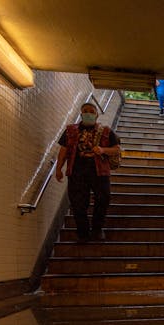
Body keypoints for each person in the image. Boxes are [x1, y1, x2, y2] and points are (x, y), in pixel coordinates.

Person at [55, 102, 121, 242]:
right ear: (81, 113)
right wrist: (58, 168)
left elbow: (116, 149)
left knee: (103, 199)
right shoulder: (70, 130)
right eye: (85, 111)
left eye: (91, 111)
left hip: (100, 171)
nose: (88, 113)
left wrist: (103, 150)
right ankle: (83, 233)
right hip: (76, 172)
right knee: (78, 202)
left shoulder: (106, 131)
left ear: (97, 114)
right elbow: (64, 150)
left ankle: (97, 229)